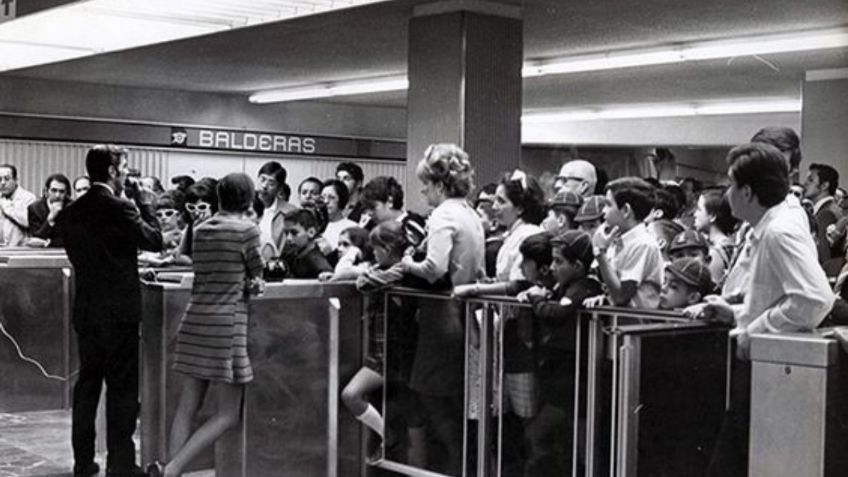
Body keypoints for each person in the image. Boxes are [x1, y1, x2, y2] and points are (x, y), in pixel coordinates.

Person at [684, 142, 835, 477]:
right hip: (761, 365)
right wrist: (735, 315)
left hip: (765, 367)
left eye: (732, 185)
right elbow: (780, 297)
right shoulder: (770, 226)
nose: (728, 195)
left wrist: (755, 328)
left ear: (748, 192)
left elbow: (814, 299)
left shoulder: (778, 232)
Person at [57, 145, 163, 477]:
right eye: (126, 168)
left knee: (87, 385)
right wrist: (146, 203)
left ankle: (83, 461)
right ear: (114, 172)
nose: (128, 175)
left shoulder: (71, 211)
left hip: (87, 309)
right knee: (122, 389)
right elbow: (155, 240)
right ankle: (120, 462)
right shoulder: (121, 207)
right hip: (120, 313)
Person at [150, 173, 265, 477]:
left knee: (189, 404)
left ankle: (167, 468)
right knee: (228, 413)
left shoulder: (200, 228)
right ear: (248, 199)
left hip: (196, 320)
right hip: (227, 324)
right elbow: (257, 273)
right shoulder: (248, 230)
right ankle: (172, 469)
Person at [397, 143, 484, 475]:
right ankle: (461, 463)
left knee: (434, 399)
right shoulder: (470, 212)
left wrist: (408, 263)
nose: (423, 191)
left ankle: (455, 464)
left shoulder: (444, 215)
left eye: (426, 184)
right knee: (452, 401)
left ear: (439, 184)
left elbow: (434, 267)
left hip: (441, 316)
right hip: (464, 315)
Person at [520, 230, 603, 476]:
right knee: (564, 442)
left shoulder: (583, 286)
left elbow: (556, 314)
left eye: (559, 262)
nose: (553, 267)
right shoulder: (563, 286)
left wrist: (536, 300)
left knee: (568, 441)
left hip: (574, 377)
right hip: (561, 376)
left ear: (577, 265)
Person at [586, 177, 664, 309]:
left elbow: (621, 297)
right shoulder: (616, 240)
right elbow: (612, 289)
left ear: (626, 210)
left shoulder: (642, 244)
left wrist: (600, 253)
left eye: (608, 205)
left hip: (639, 324)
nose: (603, 211)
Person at [694, 187, 738, 286]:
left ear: (712, 216)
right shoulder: (731, 243)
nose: (695, 214)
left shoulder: (716, 253)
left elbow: (713, 288)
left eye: (699, 209)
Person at [803, 163, 842, 262]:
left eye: (811, 180)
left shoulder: (826, 213)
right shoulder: (827, 209)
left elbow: (823, 256)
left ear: (824, 185)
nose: (805, 183)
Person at [257, 161, 296, 257]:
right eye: (262, 179)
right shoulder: (244, 206)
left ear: (279, 188)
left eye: (271, 183)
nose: (264, 186)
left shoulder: (289, 212)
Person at [280, 208, 333, 278]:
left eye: (294, 233)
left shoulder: (317, 261)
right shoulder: (292, 254)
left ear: (311, 232)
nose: (288, 238)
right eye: (286, 233)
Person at [27, 173, 72, 248]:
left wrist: (49, 243)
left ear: (67, 192)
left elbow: (73, 238)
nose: (57, 195)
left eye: (62, 191)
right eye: (54, 190)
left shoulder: (72, 207)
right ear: (46, 191)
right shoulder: (35, 208)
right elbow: (36, 238)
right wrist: (50, 220)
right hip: (40, 254)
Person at [0, 163, 37, 247]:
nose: (2, 183)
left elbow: (28, 222)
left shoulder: (28, 198)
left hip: (20, 250)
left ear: (15, 180)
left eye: (7, 179)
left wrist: (8, 208)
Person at [320, 179, 358, 251]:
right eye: (322, 198)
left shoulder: (352, 227)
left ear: (341, 200)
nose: (326, 201)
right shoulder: (317, 225)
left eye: (331, 197)